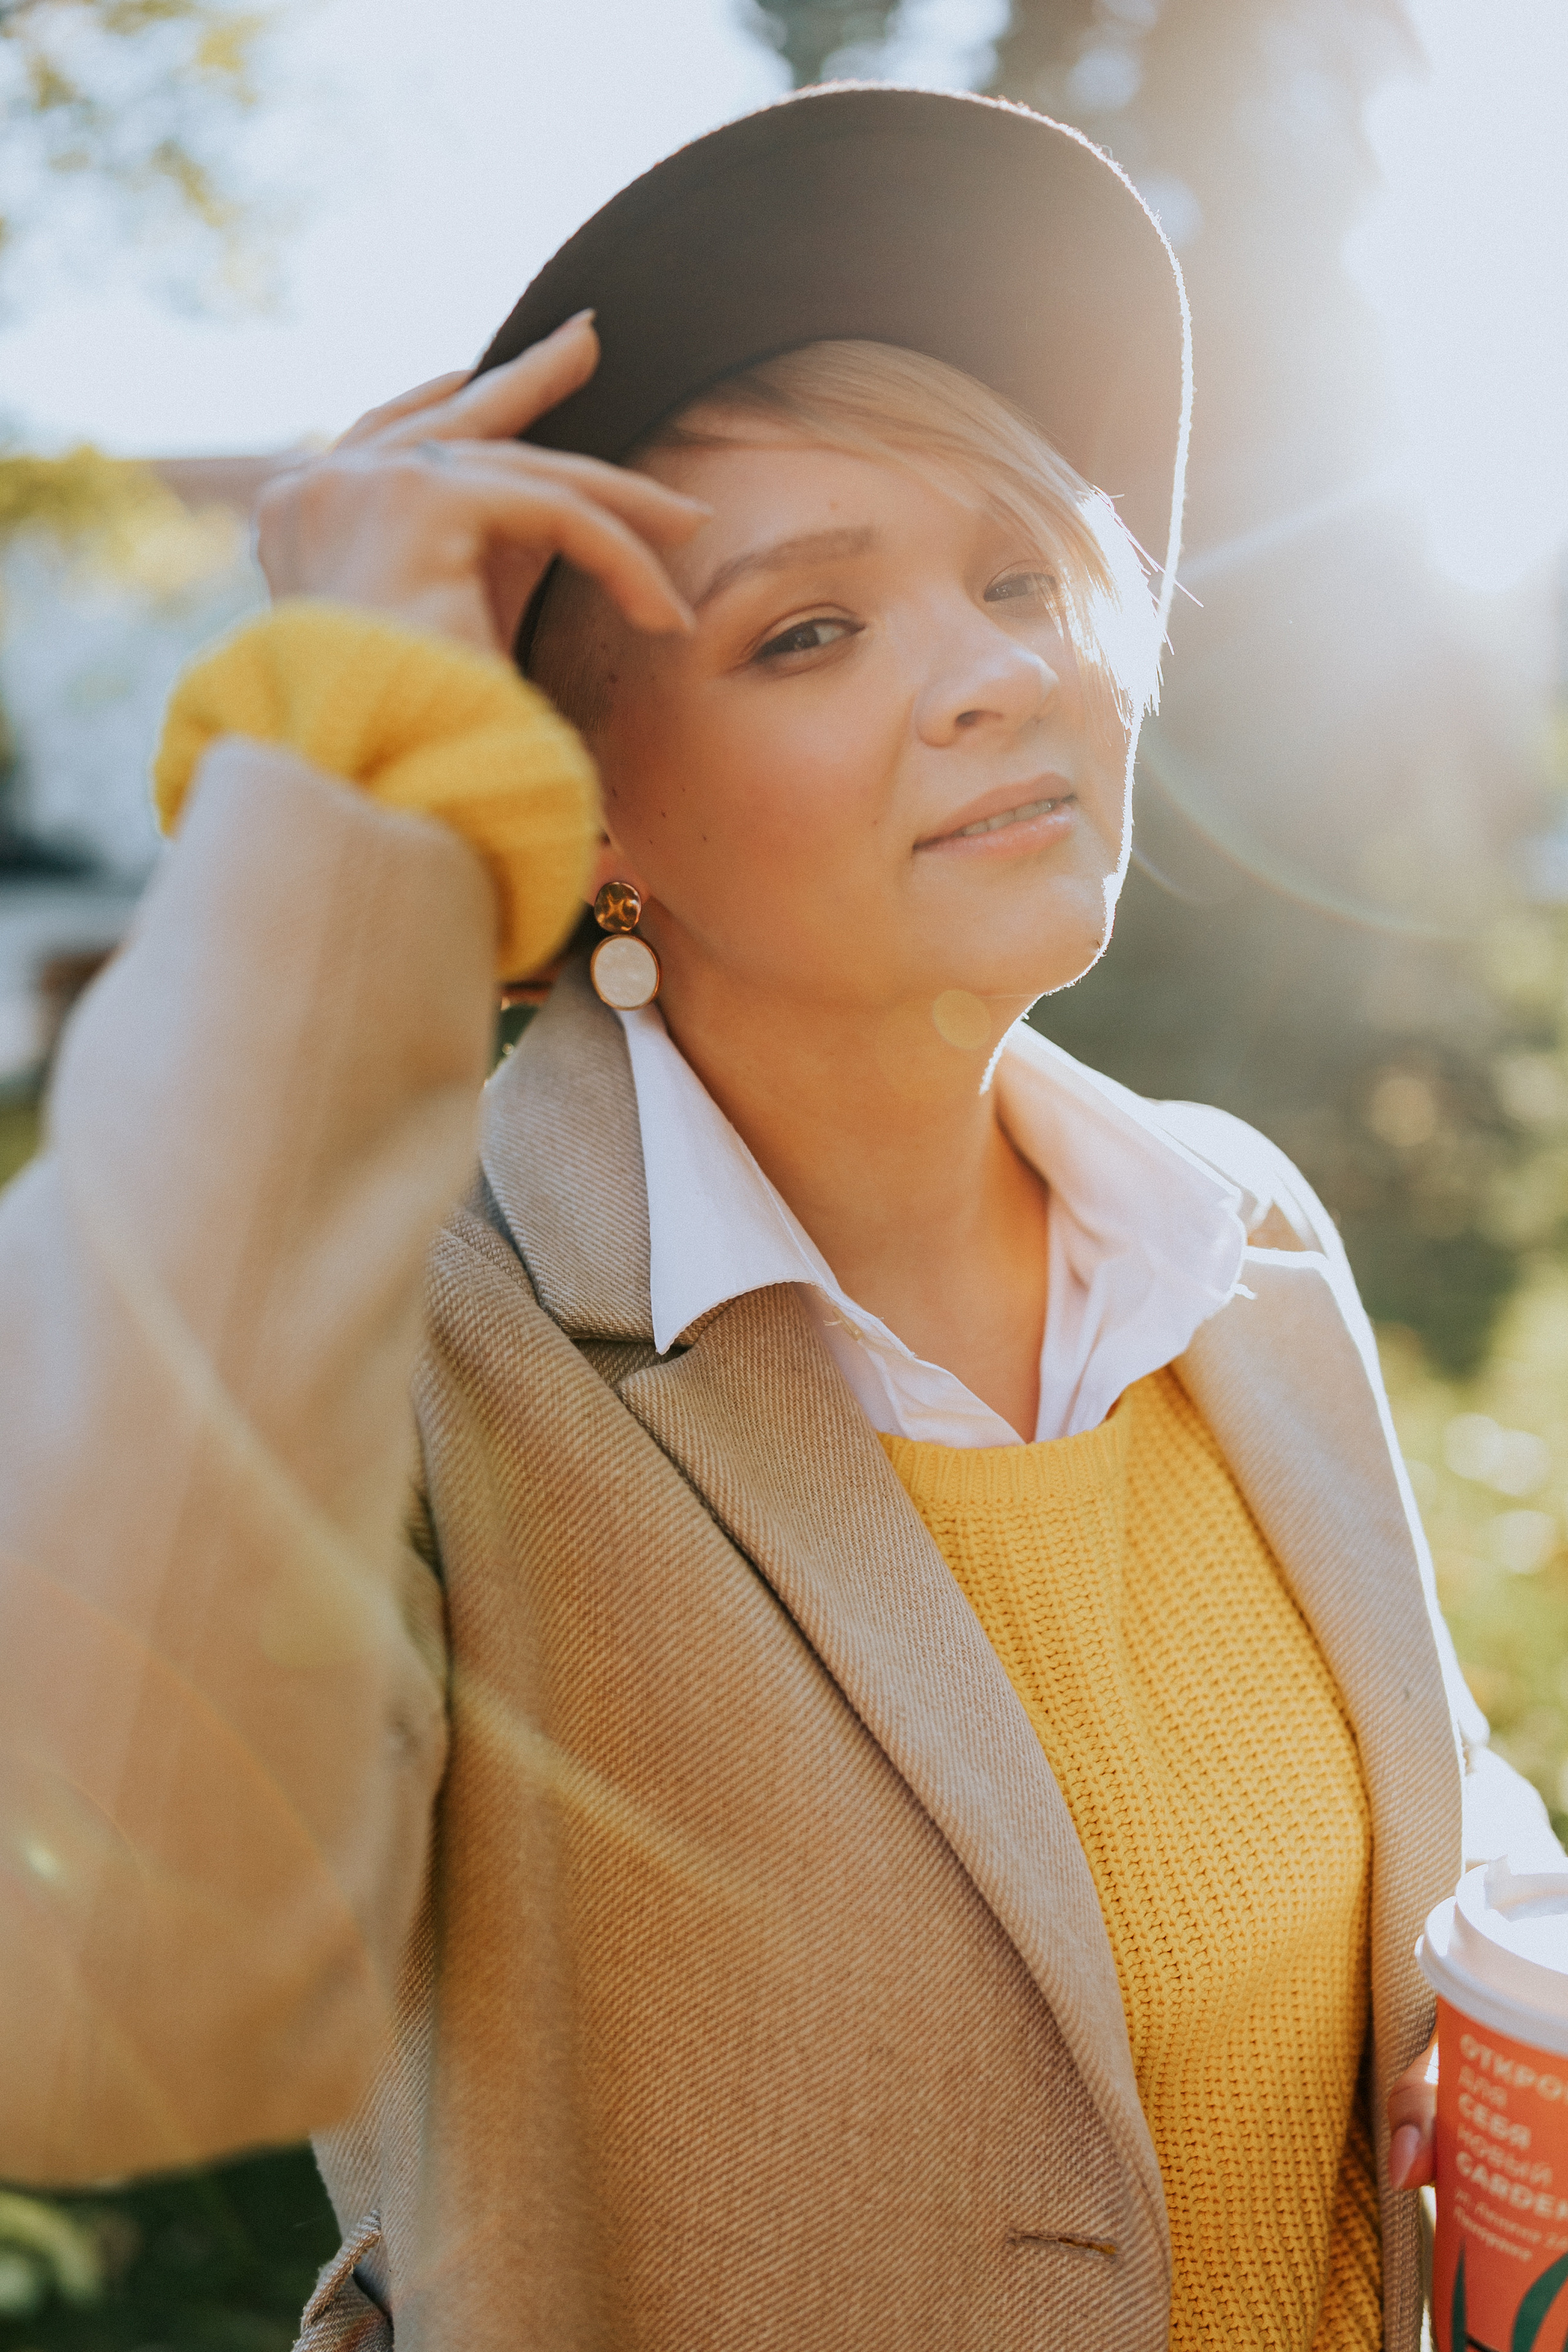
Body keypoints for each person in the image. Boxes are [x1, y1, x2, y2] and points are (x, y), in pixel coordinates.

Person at [0, 83, 1556, 2352]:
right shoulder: (420, 1344)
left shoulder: (1231, 1230)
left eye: (1020, 576)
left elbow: (1435, 1857)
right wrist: (327, 825)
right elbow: (94, 1987)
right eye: (808, 632)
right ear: (588, 806)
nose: (1003, 667)